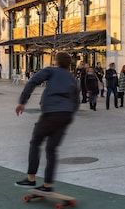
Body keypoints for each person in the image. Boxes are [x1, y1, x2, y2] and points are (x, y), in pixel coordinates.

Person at [14, 52, 80, 192]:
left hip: (51, 113)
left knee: (36, 142)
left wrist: (22, 102)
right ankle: (48, 184)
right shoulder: (72, 78)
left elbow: (32, 81)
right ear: (69, 64)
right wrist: (69, 114)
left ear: (56, 62)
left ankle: (31, 178)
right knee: (51, 149)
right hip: (65, 115)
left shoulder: (51, 70)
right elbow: (76, 99)